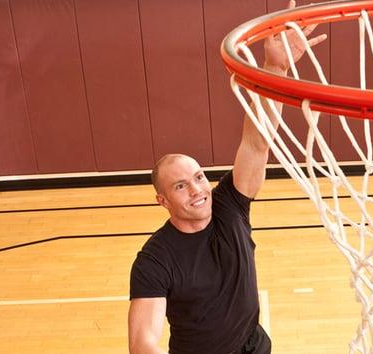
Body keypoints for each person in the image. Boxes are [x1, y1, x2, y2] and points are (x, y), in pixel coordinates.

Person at [127, 1, 327, 353]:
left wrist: (275, 68)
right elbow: (143, 342)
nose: (197, 190)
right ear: (163, 201)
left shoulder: (229, 207)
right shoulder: (155, 259)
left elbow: (257, 141)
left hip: (253, 346)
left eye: (198, 177)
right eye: (180, 185)